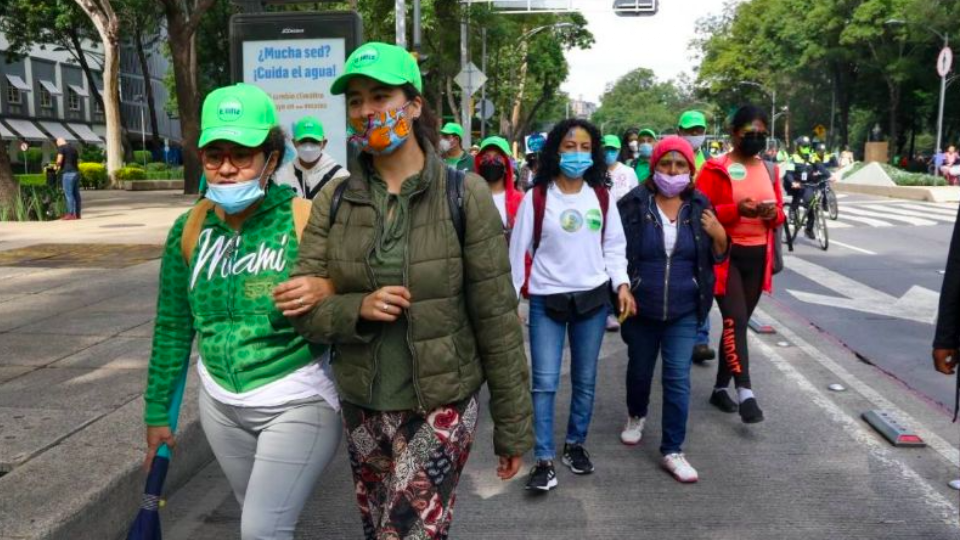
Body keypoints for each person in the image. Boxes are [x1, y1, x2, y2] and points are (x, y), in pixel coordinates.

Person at [289, 42, 532, 538]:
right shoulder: (335, 199)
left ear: (414, 104)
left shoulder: (465, 195)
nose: (366, 111)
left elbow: (498, 318)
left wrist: (513, 428)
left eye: (380, 96)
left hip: (441, 403)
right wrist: (357, 306)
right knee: (380, 528)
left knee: (406, 533)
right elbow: (302, 309)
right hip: (362, 402)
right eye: (355, 100)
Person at [142, 83, 341, 540]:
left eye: (243, 154)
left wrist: (326, 286)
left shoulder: (305, 220)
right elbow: (173, 326)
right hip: (220, 406)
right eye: (215, 155)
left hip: (298, 398)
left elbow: (358, 291)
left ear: (272, 158)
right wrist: (159, 414)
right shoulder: (188, 229)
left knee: (260, 529)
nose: (227, 168)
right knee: (259, 515)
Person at [508, 118, 636, 492]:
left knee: (585, 380)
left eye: (584, 147)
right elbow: (519, 253)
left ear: (593, 152)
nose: (577, 154)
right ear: (555, 150)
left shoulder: (601, 196)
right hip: (546, 300)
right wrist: (511, 299)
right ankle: (544, 458)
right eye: (569, 146)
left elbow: (614, 246)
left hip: (593, 302)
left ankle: (574, 445)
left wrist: (622, 284)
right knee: (544, 383)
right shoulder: (537, 196)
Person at [617, 136, 728, 482]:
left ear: (690, 170)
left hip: (684, 309)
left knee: (677, 378)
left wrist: (720, 233)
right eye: (666, 164)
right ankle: (636, 415)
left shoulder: (699, 205)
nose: (673, 171)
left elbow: (717, 256)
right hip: (640, 308)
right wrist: (622, 289)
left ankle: (673, 449)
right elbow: (614, 252)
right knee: (639, 371)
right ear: (655, 166)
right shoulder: (633, 204)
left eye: (680, 165)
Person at [696, 104, 785, 424]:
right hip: (725, 255)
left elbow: (781, 215)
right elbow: (700, 212)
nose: (757, 139)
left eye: (762, 134)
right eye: (750, 134)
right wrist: (737, 211)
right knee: (733, 319)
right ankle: (746, 391)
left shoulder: (771, 169)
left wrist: (774, 214)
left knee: (739, 322)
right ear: (734, 133)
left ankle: (720, 388)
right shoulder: (713, 168)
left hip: (759, 255)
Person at [677, 110, 717, 364]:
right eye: (690, 131)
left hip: (702, 229)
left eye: (698, 131)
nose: (695, 136)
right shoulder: (671, 158)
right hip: (676, 226)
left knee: (703, 281)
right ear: (679, 131)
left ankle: (701, 339)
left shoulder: (711, 162)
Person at [275, 115, 350, 200]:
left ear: (324, 143)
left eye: (314, 141)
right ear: (294, 143)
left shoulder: (340, 176)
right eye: (303, 141)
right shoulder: (281, 176)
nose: (308, 147)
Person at [475, 135, 524, 237]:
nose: (491, 161)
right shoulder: (470, 199)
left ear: (506, 165)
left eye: (497, 158)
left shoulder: (521, 200)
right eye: (486, 157)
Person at [785, 136, 829, 239]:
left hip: (808, 184)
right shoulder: (793, 158)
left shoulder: (812, 157)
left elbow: (820, 167)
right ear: (799, 147)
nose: (806, 148)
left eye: (807, 146)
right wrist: (793, 182)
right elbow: (789, 174)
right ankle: (792, 209)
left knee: (811, 204)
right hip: (796, 183)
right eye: (804, 146)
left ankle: (808, 229)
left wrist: (830, 175)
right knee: (797, 191)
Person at [606, 134, 640, 203]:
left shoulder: (628, 171)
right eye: (606, 149)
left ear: (618, 150)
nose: (609, 152)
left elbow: (636, 195)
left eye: (613, 149)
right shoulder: (596, 173)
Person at [55, 138, 81, 220]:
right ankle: (78, 214)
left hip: (68, 173)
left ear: (58, 143)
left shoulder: (61, 148)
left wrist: (55, 167)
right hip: (76, 172)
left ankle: (71, 214)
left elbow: (59, 160)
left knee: (68, 194)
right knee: (76, 194)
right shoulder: (74, 149)